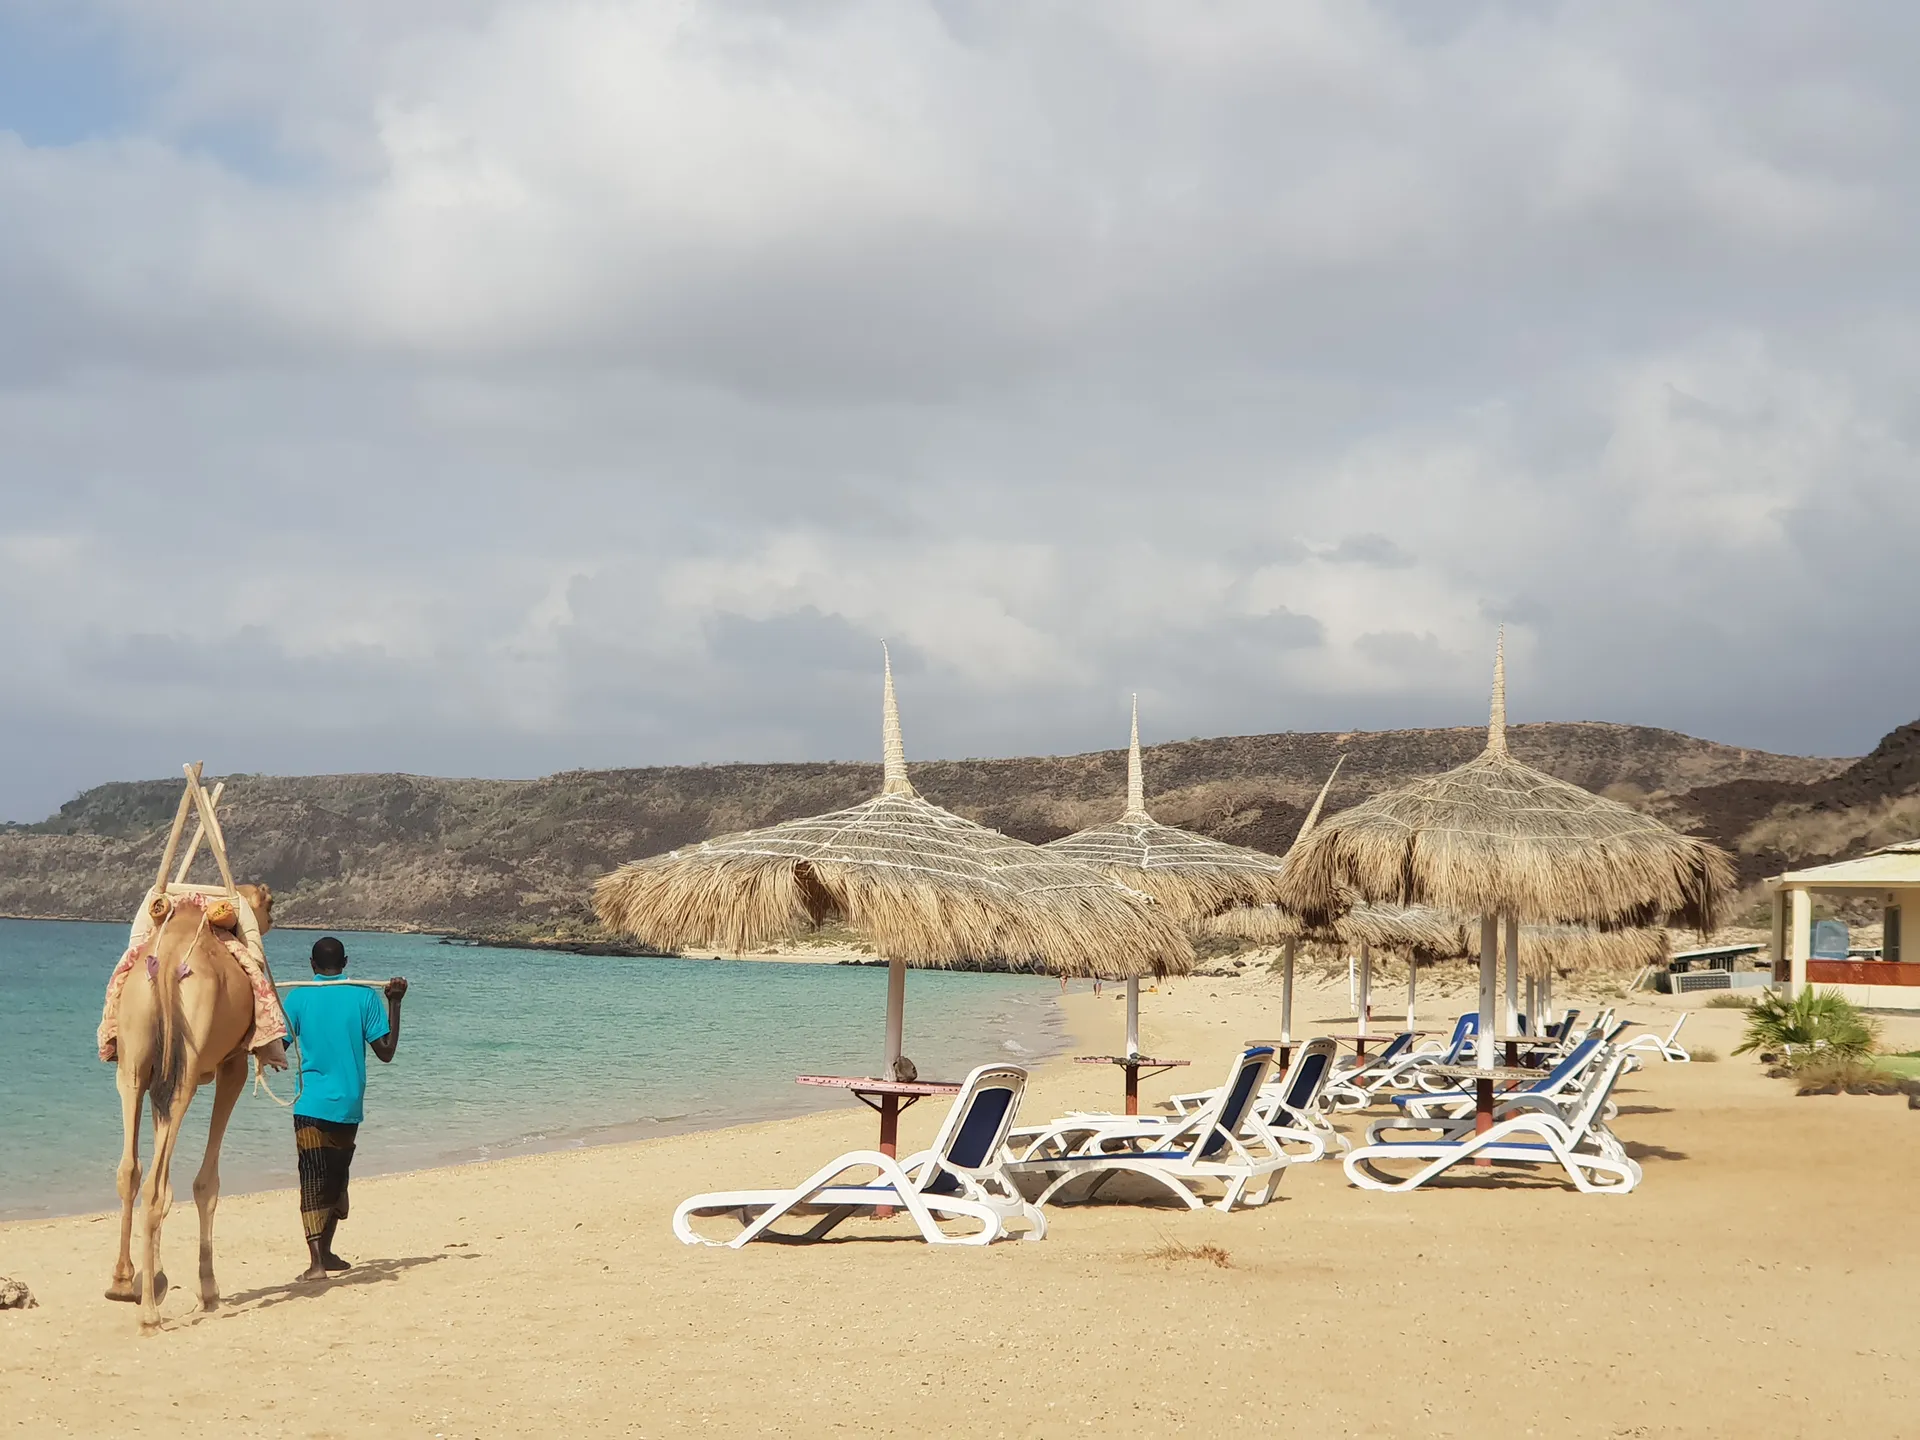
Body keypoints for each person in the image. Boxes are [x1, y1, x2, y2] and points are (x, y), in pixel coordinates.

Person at [279, 936, 407, 1282]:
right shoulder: (365, 997)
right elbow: (387, 1051)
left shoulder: (298, 997)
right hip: (349, 1103)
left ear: (311, 964)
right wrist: (394, 1003)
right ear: (346, 962)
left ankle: (317, 1262)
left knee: (312, 1178)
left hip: (309, 1103)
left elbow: (278, 1050)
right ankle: (328, 1253)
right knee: (335, 1177)